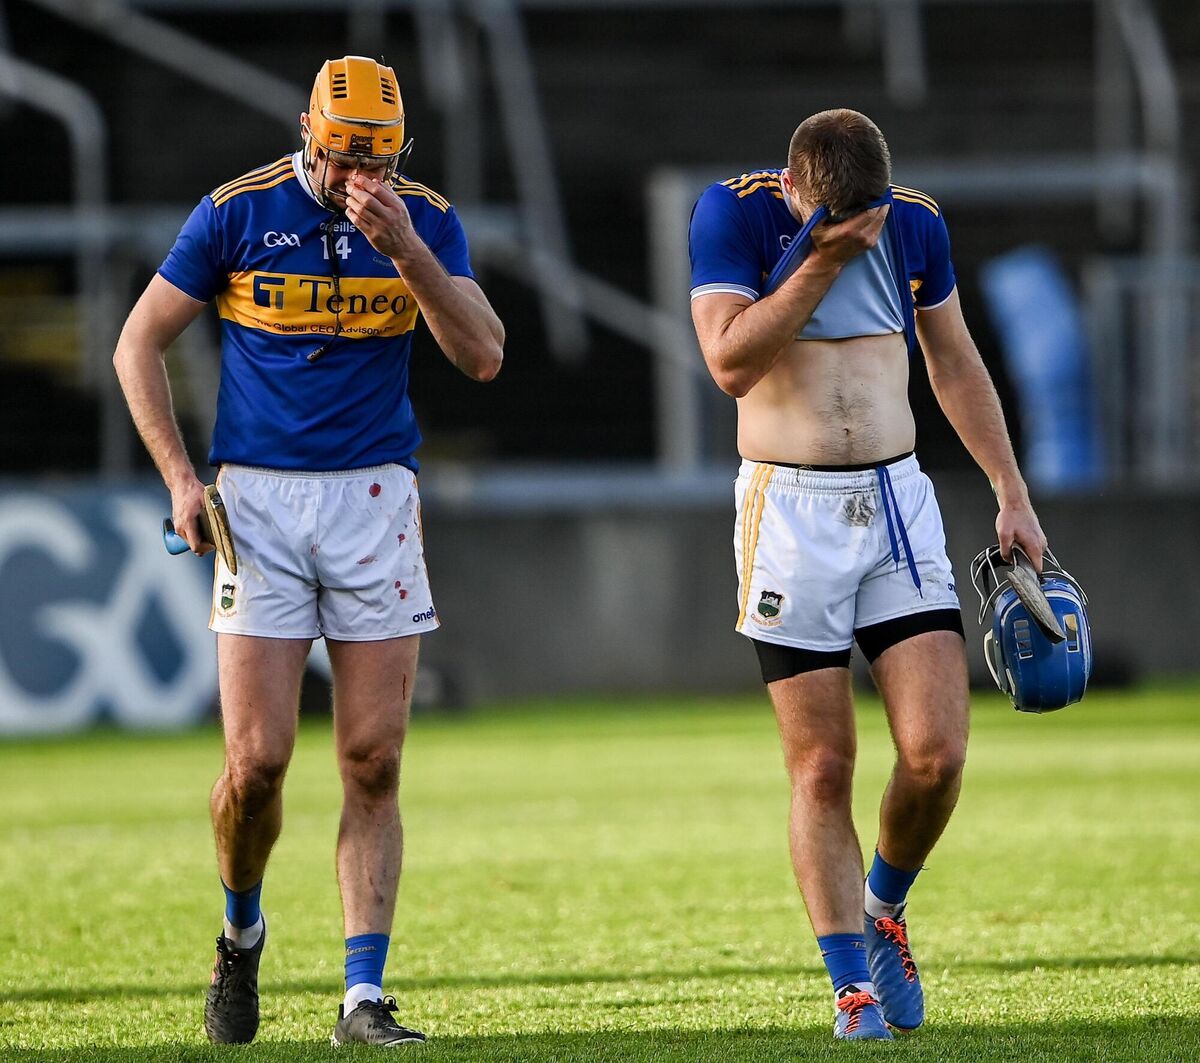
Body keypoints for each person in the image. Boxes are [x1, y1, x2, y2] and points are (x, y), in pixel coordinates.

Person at [113, 56, 503, 1047]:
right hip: (259, 501)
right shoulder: (238, 212)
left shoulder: (424, 217)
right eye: (339, 159)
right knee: (259, 763)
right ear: (306, 132)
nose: (354, 179)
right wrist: (177, 478)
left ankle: (361, 998)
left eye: (375, 159)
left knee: (372, 759)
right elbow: (137, 342)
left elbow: (484, 353)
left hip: (376, 497)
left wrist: (409, 251)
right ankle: (240, 931)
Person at [687, 109, 1046, 1041]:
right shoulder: (732, 216)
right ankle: (851, 989)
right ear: (800, 190)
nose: (869, 228)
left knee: (937, 754)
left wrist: (1012, 491)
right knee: (823, 762)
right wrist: (821, 257)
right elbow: (728, 361)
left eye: (873, 215)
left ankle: (883, 906)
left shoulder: (915, 221)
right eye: (848, 215)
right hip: (788, 516)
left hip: (895, 500)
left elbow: (955, 361)